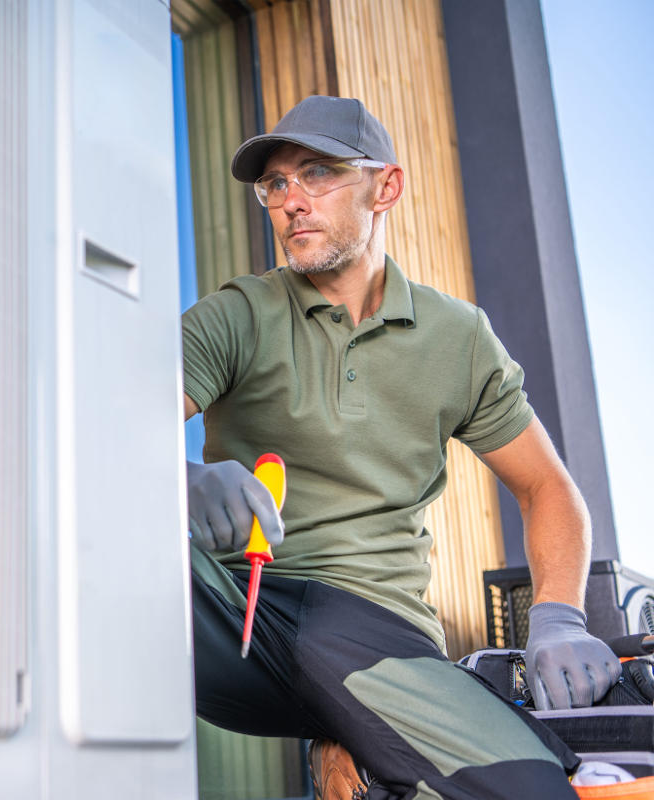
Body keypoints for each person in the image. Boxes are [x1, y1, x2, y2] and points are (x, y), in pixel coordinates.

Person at [183, 95, 620, 800]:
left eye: (317, 174)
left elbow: (547, 490)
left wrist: (558, 617)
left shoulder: (459, 339)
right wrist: (177, 479)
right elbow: (104, 429)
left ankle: (359, 728)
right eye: (276, 184)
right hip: (240, 613)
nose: (291, 200)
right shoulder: (236, 316)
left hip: (371, 627)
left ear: (385, 187)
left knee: (531, 790)